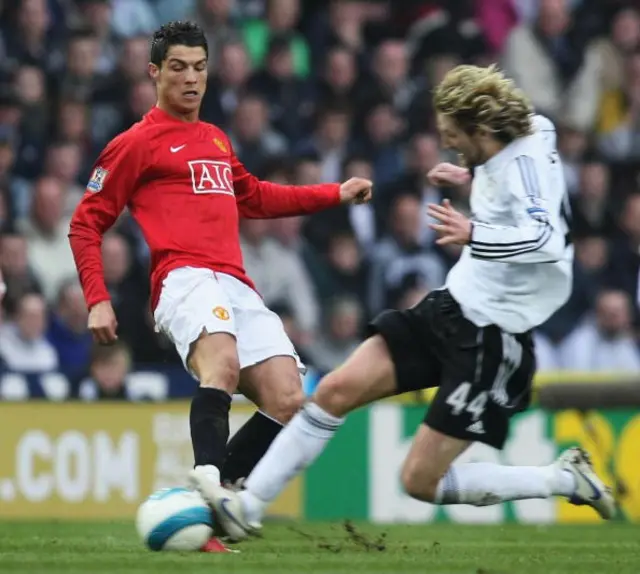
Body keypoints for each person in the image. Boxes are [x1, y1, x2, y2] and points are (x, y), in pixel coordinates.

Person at [206, 65, 615, 542]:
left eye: (454, 137)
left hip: (492, 338)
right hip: (449, 306)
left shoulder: (521, 166)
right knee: (335, 390)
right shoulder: (535, 129)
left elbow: (545, 237)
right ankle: (248, 506)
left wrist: (473, 231)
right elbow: (512, 174)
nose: (450, 144)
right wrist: (470, 171)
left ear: (480, 128)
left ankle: (562, 478)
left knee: (419, 481)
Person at [68, 21, 372, 550]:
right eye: (179, 68)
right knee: (222, 367)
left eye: (200, 68)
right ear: (154, 72)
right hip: (182, 277)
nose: (191, 79)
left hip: (234, 280)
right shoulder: (134, 144)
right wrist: (97, 298)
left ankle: (207, 509)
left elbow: (253, 196)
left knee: (286, 397)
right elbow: (85, 223)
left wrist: (333, 193)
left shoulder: (214, 138)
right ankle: (207, 477)